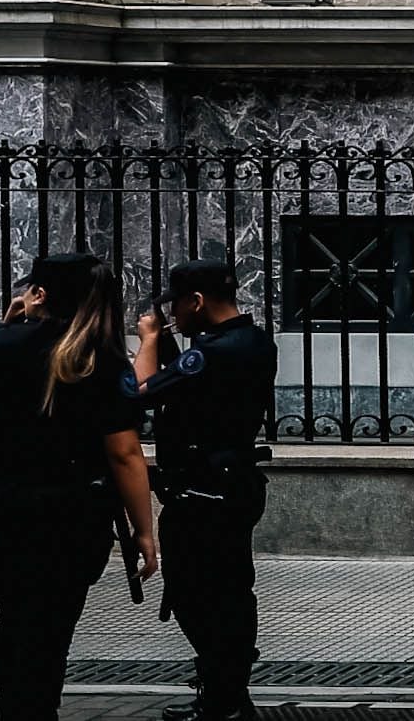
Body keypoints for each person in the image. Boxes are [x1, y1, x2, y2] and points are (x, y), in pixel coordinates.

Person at [0, 253, 159, 721]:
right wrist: (144, 530)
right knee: (46, 631)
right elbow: (124, 453)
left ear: (39, 294)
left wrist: (5, 327)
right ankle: (35, 709)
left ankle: (18, 708)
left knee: (19, 621)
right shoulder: (98, 359)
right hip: (69, 519)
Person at [138, 251, 279, 721]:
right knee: (231, 590)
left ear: (197, 301)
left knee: (197, 592)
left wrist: (150, 341)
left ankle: (224, 696)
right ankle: (228, 694)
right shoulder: (253, 341)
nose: (172, 316)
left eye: (176, 306)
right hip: (233, 482)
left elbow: (140, 393)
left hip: (204, 491)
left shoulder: (213, 352)